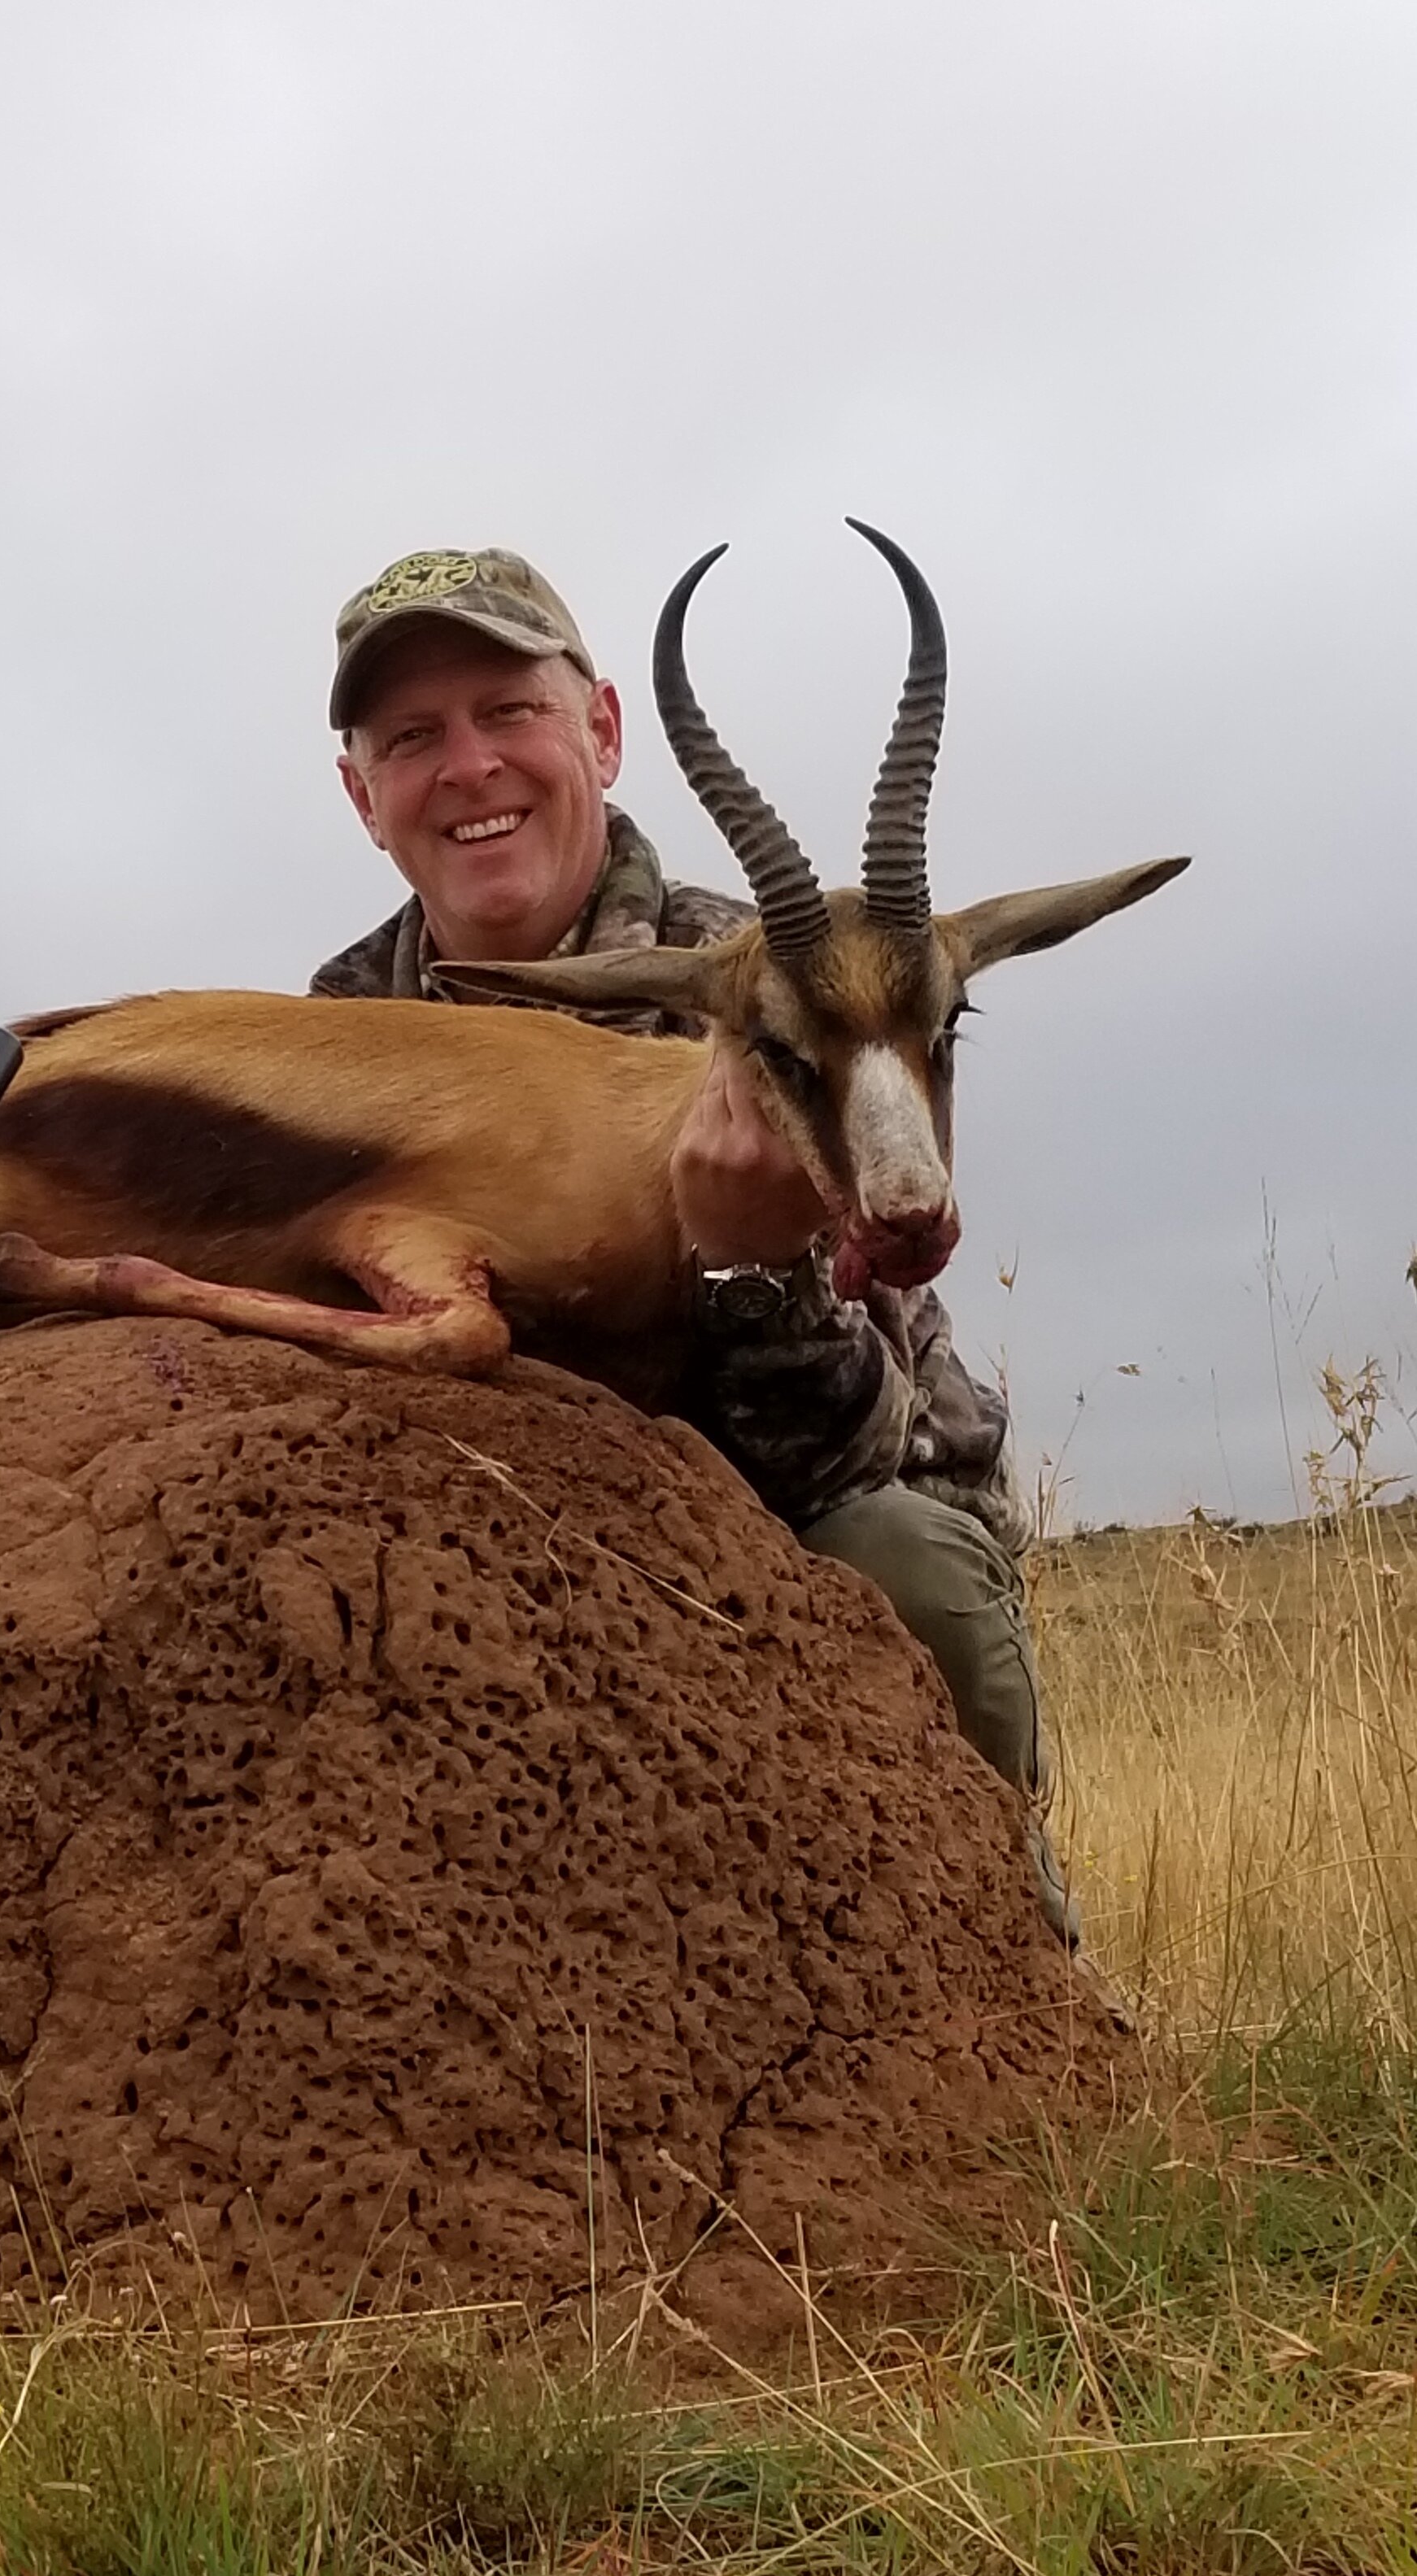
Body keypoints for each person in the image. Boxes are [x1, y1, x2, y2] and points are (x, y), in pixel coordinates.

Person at [314, 545, 1076, 1942]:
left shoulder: (785, 979)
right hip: (505, 1523)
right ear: (365, 798)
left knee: (904, 1558)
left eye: (509, 712)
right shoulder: (343, 1028)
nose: (468, 766)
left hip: (786, 1517)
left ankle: (1017, 1988)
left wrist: (742, 1265)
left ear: (600, 730)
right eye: (413, 737)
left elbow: (861, 1459)